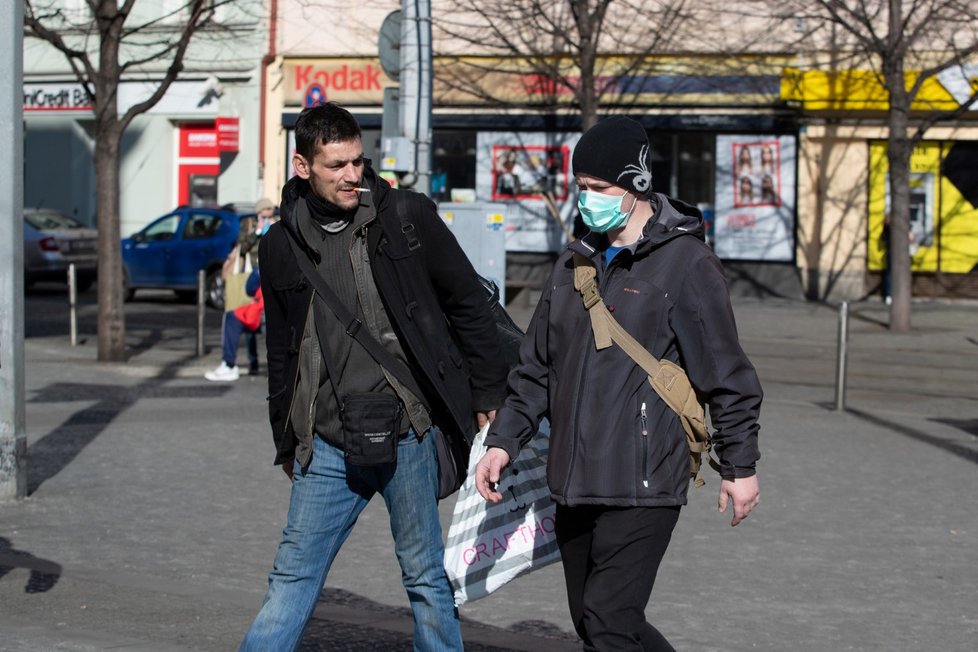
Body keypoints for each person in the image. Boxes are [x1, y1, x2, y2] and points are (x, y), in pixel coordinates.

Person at [475, 116, 763, 652]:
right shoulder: (573, 262)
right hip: (573, 478)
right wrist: (503, 441)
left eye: (599, 188)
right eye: (581, 187)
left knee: (608, 621)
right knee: (597, 622)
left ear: (636, 185)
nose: (587, 199)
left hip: (644, 479)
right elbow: (535, 367)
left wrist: (740, 467)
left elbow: (727, 374)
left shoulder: (686, 264)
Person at [240, 102, 509, 651]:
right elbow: (282, 351)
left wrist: (486, 392)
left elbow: (468, 304)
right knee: (291, 577)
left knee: (425, 579)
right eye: (336, 164)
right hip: (328, 447)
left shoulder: (405, 216)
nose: (351, 175)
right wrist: (285, 439)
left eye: (358, 162)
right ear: (302, 166)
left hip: (410, 433)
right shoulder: (279, 246)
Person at [237, 198, 277, 375]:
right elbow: (243, 247)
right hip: (254, 273)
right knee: (250, 320)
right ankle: (253, 361)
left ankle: (274, 361)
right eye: (265, 210)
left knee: (271, 322)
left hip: (271, 273)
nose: (268, 213)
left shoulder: (277, 223)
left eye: (270, 210)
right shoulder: (248, 224)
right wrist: (257, 231)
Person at [204, 268, 263, 382]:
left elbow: (249, 288)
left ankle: (229, 364)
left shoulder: (267, 259)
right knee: (236, 317)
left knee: (232, 318)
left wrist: (257, 269)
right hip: (268, 310)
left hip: (266, 312)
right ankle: (237, 363)